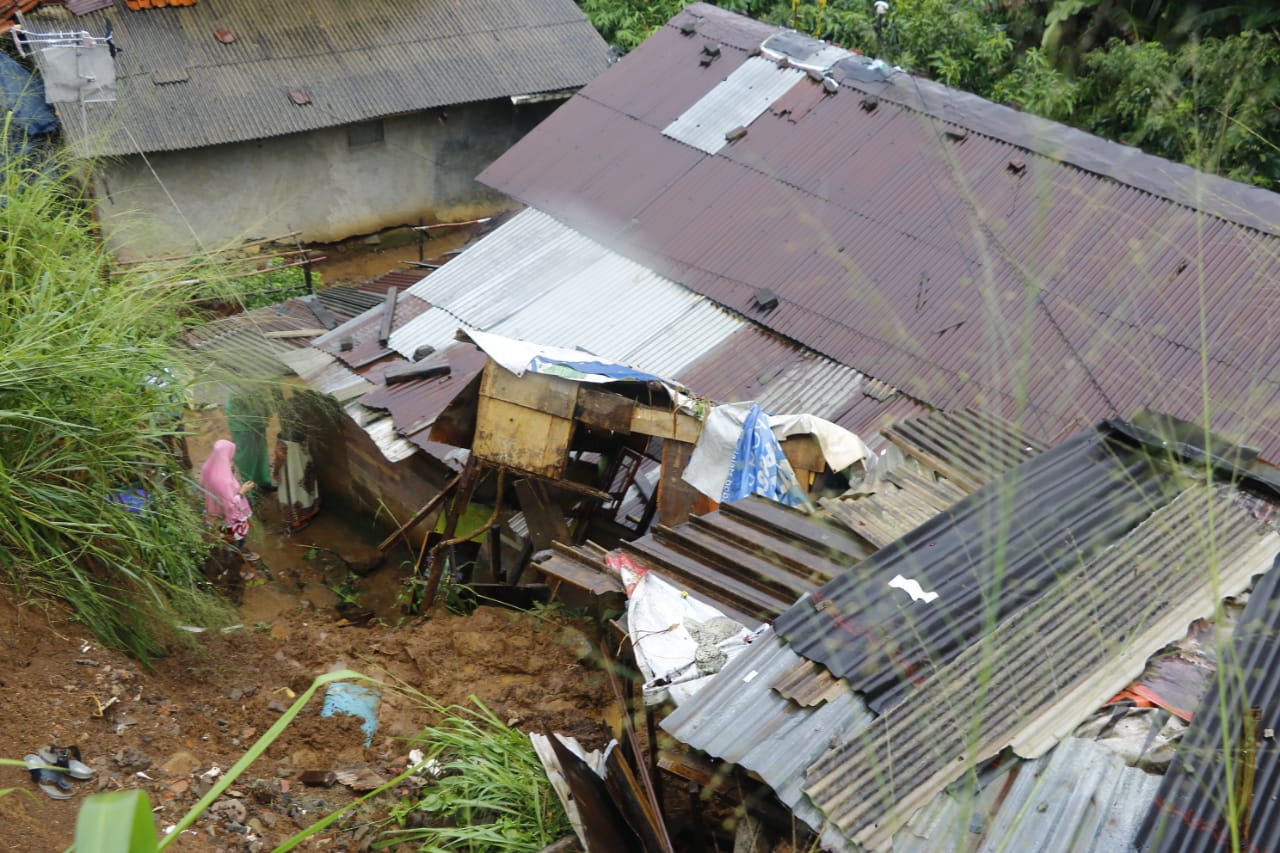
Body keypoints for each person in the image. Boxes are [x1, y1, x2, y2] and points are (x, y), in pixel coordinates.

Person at [199, 439, 260, 561]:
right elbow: (230, 505)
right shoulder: (224, 480)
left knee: (227, 538)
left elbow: (202, 492)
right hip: (230, 518)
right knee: (235, 539)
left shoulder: (208, 468)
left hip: (216, 514)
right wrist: (242, 491)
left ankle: (238, 552)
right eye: (231, 456)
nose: (232, 460)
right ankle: (237, 562)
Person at [272, 392, 320, 532]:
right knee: (305, 490)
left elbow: (279, 458)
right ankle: (311, 511)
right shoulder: (303, 433)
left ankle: (295, 522)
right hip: (304, 469)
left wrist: (275, 473)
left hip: (290, 473)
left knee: (292, 493)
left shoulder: (283, 439)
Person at [225, 390, 275, 492]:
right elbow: (239, 397)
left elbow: (262, 394)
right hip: (243, 423)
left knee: (260, 454)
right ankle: (249, 490)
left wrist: (266, 411)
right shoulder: (234, 383)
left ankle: (263, 482)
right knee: (246, 459)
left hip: (257, 420)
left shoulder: (253, 377)